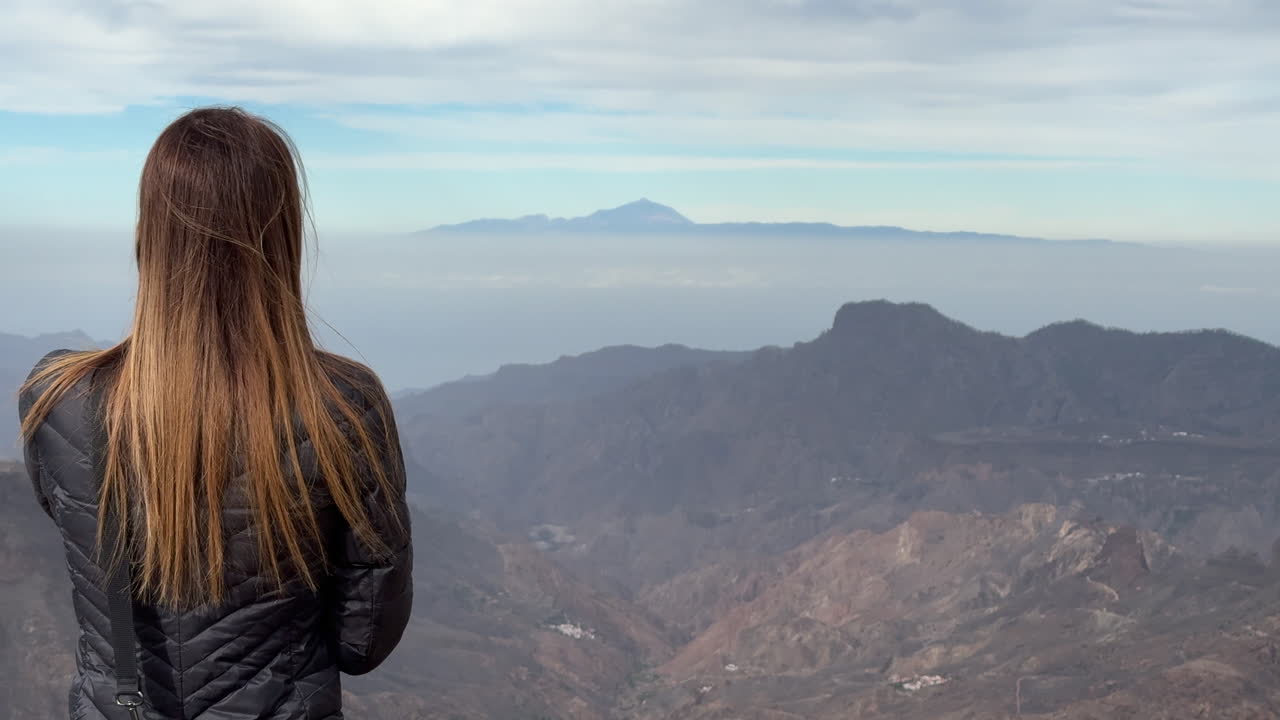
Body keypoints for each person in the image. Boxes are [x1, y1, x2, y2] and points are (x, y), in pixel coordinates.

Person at [17, 107, 413, 720]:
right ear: (281, 234)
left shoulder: (57, 398)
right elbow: (362, 640)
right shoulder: (343, 407)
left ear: (148, 230)